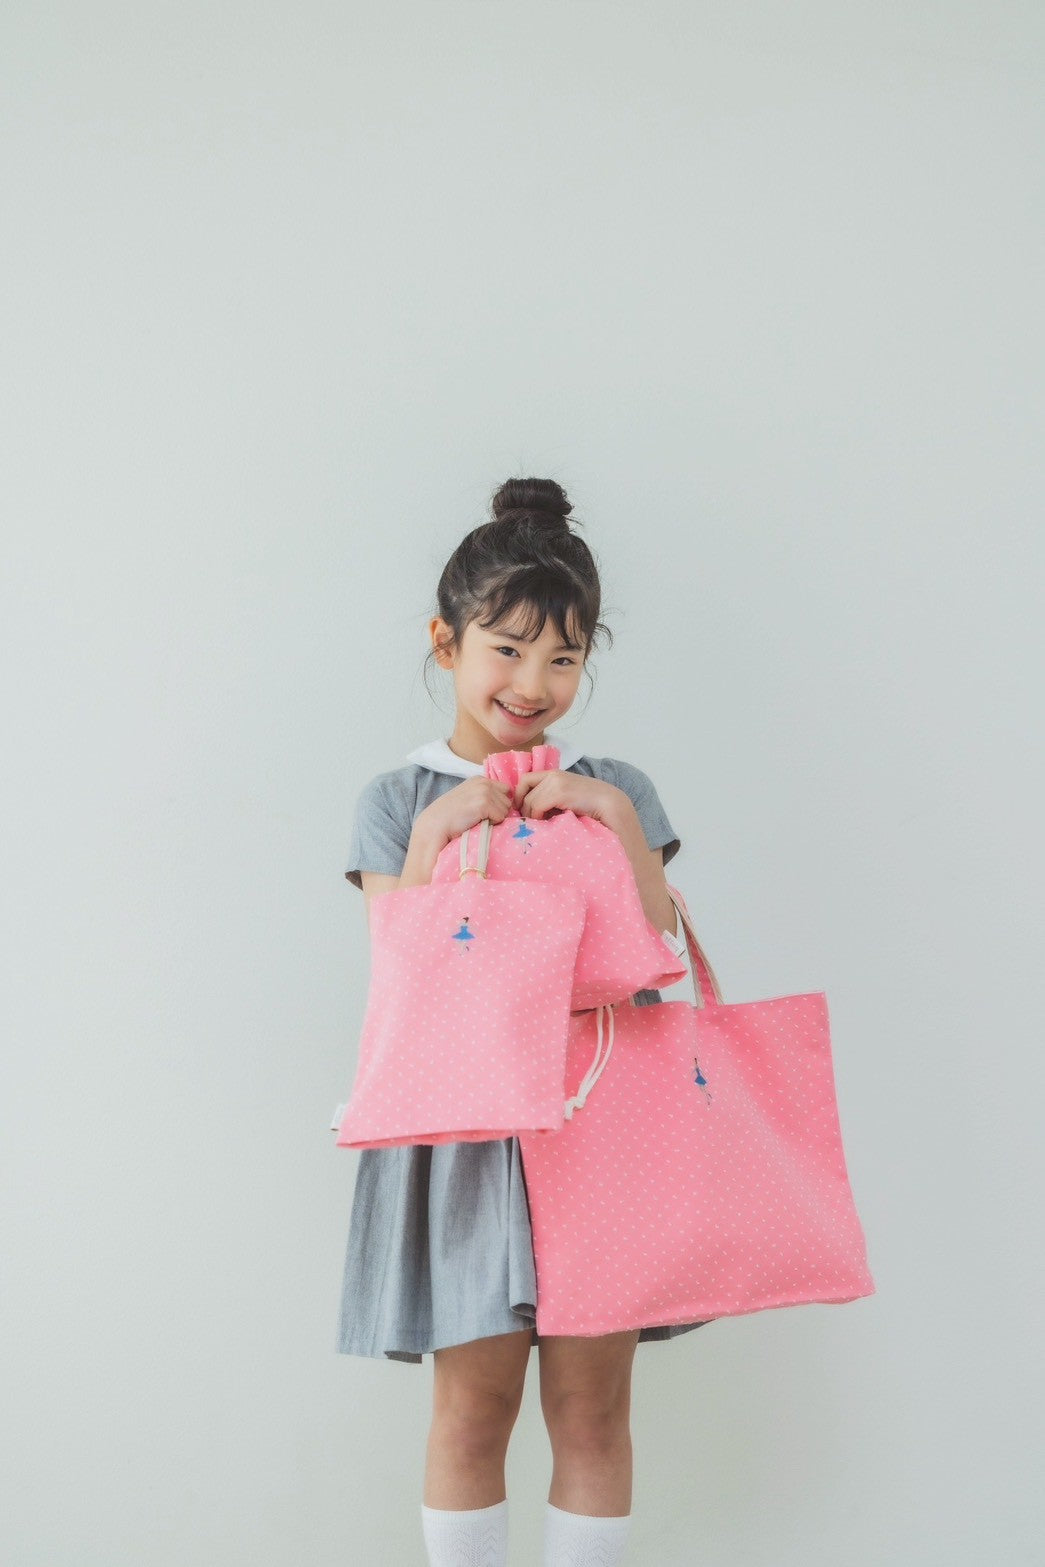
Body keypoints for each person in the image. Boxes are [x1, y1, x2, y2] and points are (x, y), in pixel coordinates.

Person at [335, 476, 709, 1566]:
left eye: (563, 657)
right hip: (465, 1136)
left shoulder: (617, 784)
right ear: (445, 642)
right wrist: (436, 838)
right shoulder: (398, 799)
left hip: (602, 1122)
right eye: (506, 649)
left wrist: (612, 816)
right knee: (472, 1412)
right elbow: (403, 979)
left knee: (592, 1412)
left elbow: (659, 949)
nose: (533, 683)